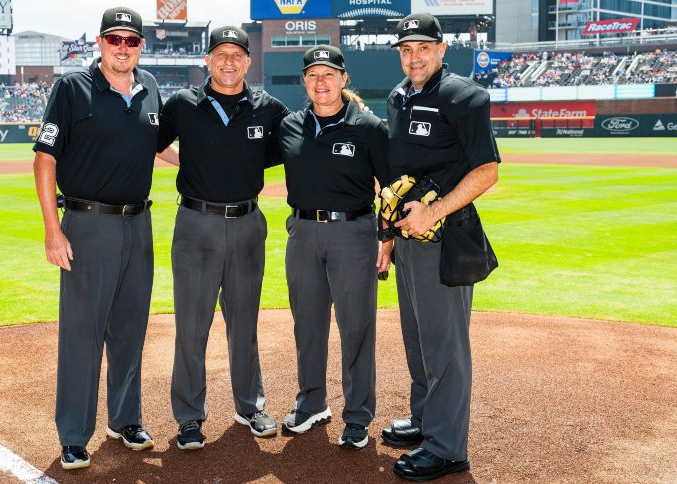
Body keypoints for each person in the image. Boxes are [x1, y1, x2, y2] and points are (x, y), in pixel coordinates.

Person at [32, 7, 177, 470]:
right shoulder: (72, 88)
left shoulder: (151, 87)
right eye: (114, 39)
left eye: (130, 41)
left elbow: (158, 146)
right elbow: (44, 159)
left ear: (140, 46)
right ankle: (74, 435)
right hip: (88, 223)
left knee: (130, 329)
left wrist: (207, 167)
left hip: (139, 223)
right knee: (82, 334)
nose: (122, 47)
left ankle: (125, 419)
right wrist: (53, 230)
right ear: (99, 43)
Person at [156, 26, 290, 450]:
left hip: (248, 223)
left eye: (236, 54)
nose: (228, 62)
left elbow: (291, 147)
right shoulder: (181, 104)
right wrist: (187, 163)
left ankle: (249, 406)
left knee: (244, 322)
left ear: (248, 62)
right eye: (220, 54)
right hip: (196, 222)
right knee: (192, 325)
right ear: (207, 60)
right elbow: (153, 144)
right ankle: (190, 417)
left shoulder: (268, 108)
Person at [381, 13, 501, 481]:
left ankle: (448, 447)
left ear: (441, 48)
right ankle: (428, 422)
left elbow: (487, 170)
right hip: (408, 239)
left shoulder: (464, 97)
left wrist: (434, 211)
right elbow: (397, 174)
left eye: (423, 48)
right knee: (417, 340)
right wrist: (388, 235)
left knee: (444, 345)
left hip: (445, 238)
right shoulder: (398, 96)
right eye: (406, 49)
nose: (414, 57)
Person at [277, 45, 392, 449]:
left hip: (354, 234)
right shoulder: (290, 125)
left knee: (356, 328)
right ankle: (312, 403)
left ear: (344, 79)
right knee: (307, 325)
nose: (320, 82)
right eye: (313, 75)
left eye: (329, 74)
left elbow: (392, 188)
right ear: (304, 81)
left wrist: (388, 239)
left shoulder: (368, 126)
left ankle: (358, 416)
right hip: (303, 233)